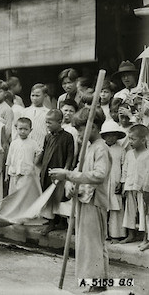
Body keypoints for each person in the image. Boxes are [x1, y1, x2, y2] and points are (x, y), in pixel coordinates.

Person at [49, 107, 111, 293]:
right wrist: (68, 183)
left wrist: (68, 174)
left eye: (81, 129)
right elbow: (78, 168)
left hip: (95, 201)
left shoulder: (101, 148)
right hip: (83, 200)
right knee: (85, 244)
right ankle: (91, 282)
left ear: (93, 127)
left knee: (93, 244)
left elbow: (99, 175)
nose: (79, 133)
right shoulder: (88, 148)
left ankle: (97, 284)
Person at [37, 109, 74, 235]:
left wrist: (66, 171)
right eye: (46, 123)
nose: (47, 125)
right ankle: (50, 222)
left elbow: (70, 156)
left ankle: (59, 222)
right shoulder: (47, 137)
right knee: (48, 196)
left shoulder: (68, 137)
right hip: (47, 171)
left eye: (50, 123)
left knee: (59, 197)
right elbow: (44, 152)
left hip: (60, 172)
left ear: (59, 122)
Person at [120, 123, 149, 244]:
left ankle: (145, 238)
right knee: (130, 211)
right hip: (130, 186)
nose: (130, 141)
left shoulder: (147, 155)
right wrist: (123, 184)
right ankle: (131, 234)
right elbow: (125, 170)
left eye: (133, 139)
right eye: (129, 138)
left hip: (142, 188)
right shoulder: (129, 154)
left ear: (143, 140)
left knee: (143, 212)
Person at [100, 121, 126, 241]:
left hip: (115, 183)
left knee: (116, 209)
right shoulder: (100, 148)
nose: (111, 138)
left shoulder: (121, 150)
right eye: (108, 135)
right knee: (102, 209)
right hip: (102, 184)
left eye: (113, 135)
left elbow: (124, 167)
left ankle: (116, 234)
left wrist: (122, 182)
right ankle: (102, 234)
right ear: (104, 136)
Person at [6, 117, 41, 196]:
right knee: (13, 195)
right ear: (16, 129)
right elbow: (9, 159)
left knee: (23, 195)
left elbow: (39, 153)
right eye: (20, 129)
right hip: (14, 173)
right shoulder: (14, 143)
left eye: (25, 129)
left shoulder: (33, 143)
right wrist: (6, 175)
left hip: (26, 173)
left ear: (30, 130)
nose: (23, 131)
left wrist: (33, 164)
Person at [23, 84, 50, 150]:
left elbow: (49, 131)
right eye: (33, 95)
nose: (34, 98)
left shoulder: (48, 113)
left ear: (45, 96)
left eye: (37, 96)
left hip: (41, 146)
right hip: (26, 146)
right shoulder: (25, 111)